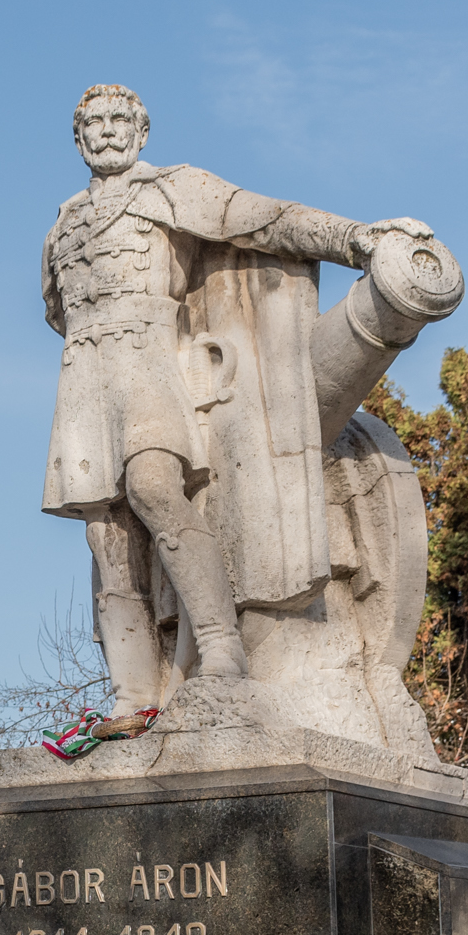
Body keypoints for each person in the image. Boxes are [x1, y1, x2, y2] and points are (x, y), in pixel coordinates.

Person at [42, 84, 436, 725]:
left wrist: (358, 239)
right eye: (94, 122)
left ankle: (223, 649)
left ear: (141, 132)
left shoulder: (171, 188)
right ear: (78, 137)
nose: (108, 131)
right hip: (85, 380)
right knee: (107, 538)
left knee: (154, 489)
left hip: (151, 367)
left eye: (121, 120)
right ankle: (133, 695)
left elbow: (265, 218)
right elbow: (58, 309)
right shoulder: (62, 223)